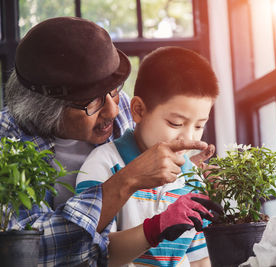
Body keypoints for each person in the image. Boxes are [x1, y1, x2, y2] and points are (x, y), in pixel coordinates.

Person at [0, 17, 220, 266]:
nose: (114, 111)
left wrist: (188, 175)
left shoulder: (127, 107)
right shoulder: (8, 146)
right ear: (46, 109)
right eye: (92, 102)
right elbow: (31, 252)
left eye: (114, 89)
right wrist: (127, 180)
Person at [76, 46, 219, 267]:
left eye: (200, 125)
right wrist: (158, 226)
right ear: (139, 110)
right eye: (175, 123)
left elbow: (200, 261)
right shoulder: (103, 165)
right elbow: (91, 255)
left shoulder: (193, 180)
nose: (188, 137)